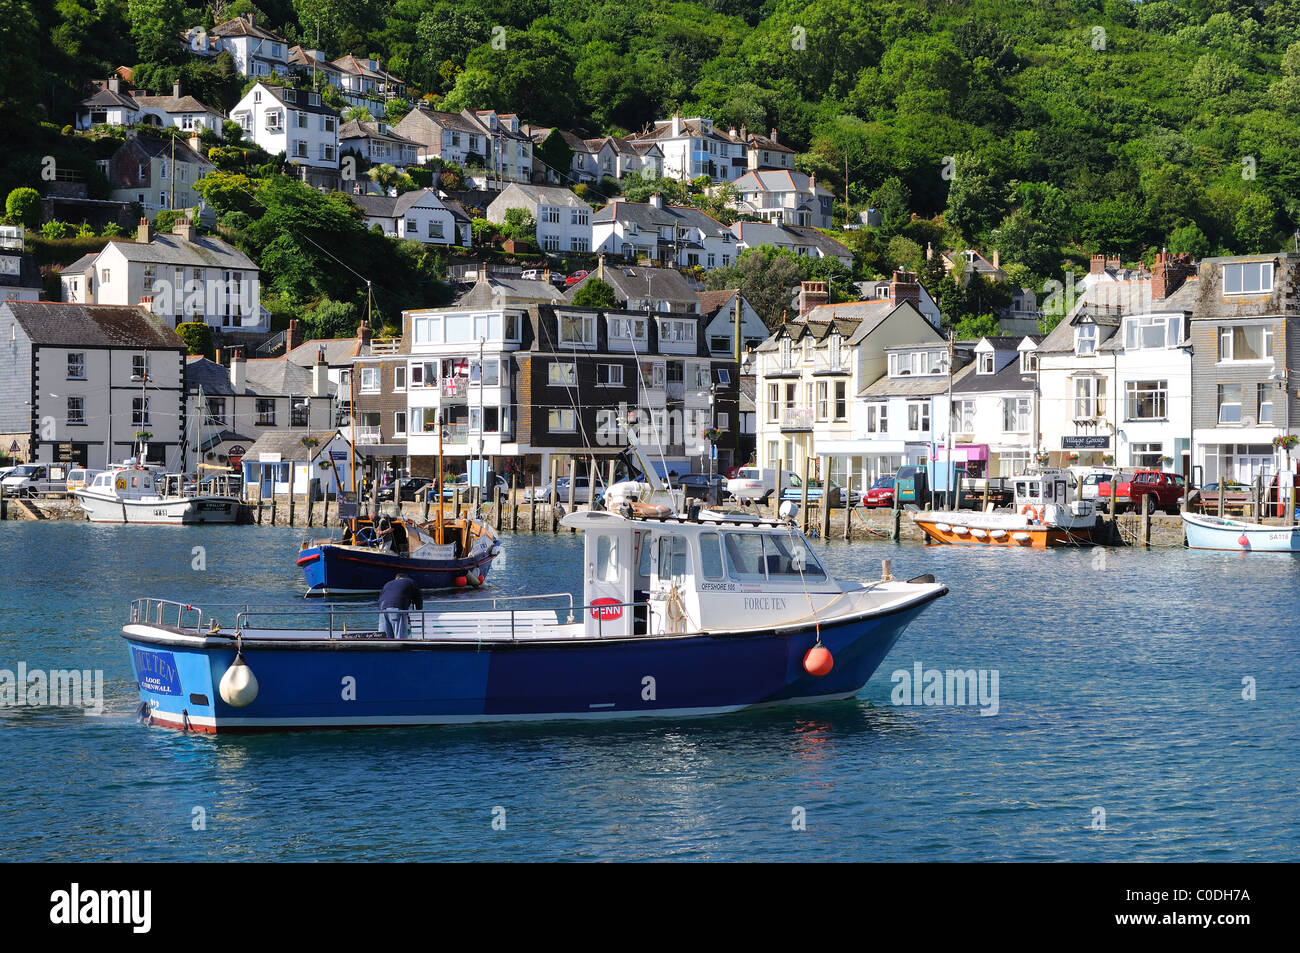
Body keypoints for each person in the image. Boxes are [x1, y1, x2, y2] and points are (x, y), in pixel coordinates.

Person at [378, 573, 422, 639]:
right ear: (405, 577)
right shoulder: (409, 581)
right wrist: (418, 611)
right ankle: (402, 648)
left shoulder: (388, 583)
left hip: (382, 610)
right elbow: (418, 597)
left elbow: (381, 597)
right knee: (400, 637)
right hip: (396, 608)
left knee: (385, 638)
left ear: (397, 578)